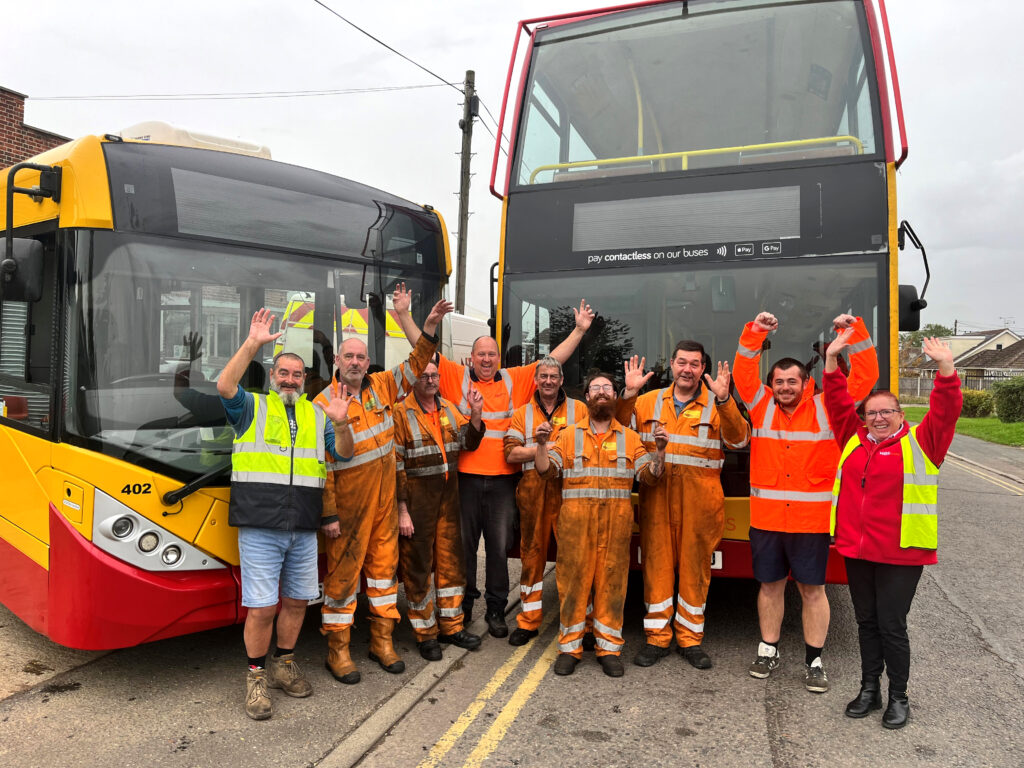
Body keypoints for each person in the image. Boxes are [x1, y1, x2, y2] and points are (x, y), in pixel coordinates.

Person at [397, 299, 596, 638]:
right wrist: (405, 316)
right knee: (464, 548)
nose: (486, 360)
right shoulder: (454, 376)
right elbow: (422, 350)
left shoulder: (514, 380)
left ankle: (495, 609)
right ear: (471, 358)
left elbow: (554, 362)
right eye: (481, 355)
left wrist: (579, 330)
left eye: (491, 355)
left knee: (499, 549)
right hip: (466, 481)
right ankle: (464, 606)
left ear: (497, 359)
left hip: (505, 482)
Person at [217, 308, 354, 721]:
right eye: (284, 373)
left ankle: (284, 663)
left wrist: (343, 425)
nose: (291, 379)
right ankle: (256, 678)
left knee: (297, 602)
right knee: (262, 609)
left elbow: (344, 453)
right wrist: (252, 343)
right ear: (273, 377)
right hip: (261, 527)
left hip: (303, 528)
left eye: (297, 375)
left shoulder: (318, 415)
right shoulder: (251, 409)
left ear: (305, 380)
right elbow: (224, 385)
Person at [733, 312, 877, 692]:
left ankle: (814, 660)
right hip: (766, 522)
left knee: (813, 591)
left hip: (811, 523)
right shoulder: (760, 405)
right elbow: (743, 370)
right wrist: (757, 330)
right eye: (778, 381)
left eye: (791, 381)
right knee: (769, 587)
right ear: (771, 385)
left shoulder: (827, 407)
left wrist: (853, 333)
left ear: (805, 383)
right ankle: (768, 649)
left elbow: (865, 377)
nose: (784, 387)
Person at [314, 288, 451, 684]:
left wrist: (423, 325)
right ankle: (338, 651)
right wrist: (329, 514)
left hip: (385, 507)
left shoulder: (383, 387)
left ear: (367, 362)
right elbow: (321, 467)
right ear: (337, 362)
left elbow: (418, 361)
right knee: (341, 581)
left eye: (361, 357)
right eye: (348, 357)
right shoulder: (322, 404)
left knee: (383, 576)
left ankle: (382, 642)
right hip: (348, 510)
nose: (355, 363)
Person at [824, 334, 961, 729]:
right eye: (872, 413)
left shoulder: (923, 442)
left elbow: (947, 411)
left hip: (901, 554)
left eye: (887, 412)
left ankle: (898, 696)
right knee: (866, 622)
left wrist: (946, 369)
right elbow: (835, 401)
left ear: (900, 415)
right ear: (863, 417)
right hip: (857, 550)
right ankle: (870, 689)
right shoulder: (851, 439)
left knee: (891, 625)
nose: (879, 418)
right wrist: (832, 359)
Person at [617, 347, 750, 669]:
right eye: (681, 362)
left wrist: (725, 400)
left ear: (703, 368)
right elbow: (618, 430)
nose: (687, 369)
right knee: (656, 568)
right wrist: (628, 394)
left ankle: (690, 639)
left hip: (700, 504)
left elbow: (739, 440)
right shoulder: (648, 402)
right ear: (672, 366)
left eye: (694, 364)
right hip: (656, 500)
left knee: (695, 571)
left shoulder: (717, 404)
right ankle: (657, 639)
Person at [534, 371, 667, 677]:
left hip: (615, 527)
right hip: (575, 527)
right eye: (596, 388)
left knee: (612, 587)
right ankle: (570, 649)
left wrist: (660, 451)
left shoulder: (630, 438)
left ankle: (608, 648)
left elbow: (650, 476)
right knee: (572, 587)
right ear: (587, 397)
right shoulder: (567, 436)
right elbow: (546, 471)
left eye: (608, 388)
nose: (603, 392)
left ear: (615, 396)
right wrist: (541, 444)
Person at [395, 357, 486, 660]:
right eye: (424, 376)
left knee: (451, 565)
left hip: (448, 498)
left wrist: (475, 414)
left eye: (434, 375)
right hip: (417, 501)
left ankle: (452, 626)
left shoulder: (448, 408)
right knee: (418, 567)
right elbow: (396, 466)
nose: (430, 380)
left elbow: (469, 443)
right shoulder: (401, 413)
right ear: (413, 379)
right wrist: (402, 509)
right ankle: (425, 633)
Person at [503, 356, 586, 646]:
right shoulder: (521, 413)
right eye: (543, 376)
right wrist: (543, 447)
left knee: (574, 559)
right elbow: (510, 454)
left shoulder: (581, 410)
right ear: (536, 381)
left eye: (554, 376)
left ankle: (579, 622)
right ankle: (528, 621)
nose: (548, 381)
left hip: (570, 493)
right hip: (532, 495)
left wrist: (550, 449)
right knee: (531, 558)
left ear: (562, 380)